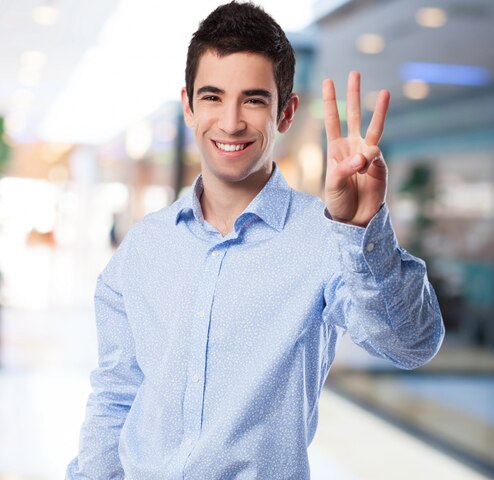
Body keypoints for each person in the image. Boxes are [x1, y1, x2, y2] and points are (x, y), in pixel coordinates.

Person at [66, 2, 444, 479]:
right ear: (188, 105)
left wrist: (362, 230)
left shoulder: (326, 237)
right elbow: (115, 395)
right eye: (212, 97)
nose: (230, 122)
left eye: (253, 99)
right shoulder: (144, 247)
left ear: (285, 113)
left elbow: (412, 344)